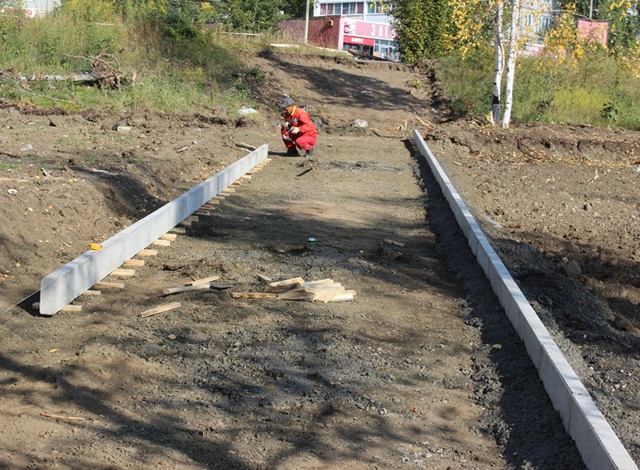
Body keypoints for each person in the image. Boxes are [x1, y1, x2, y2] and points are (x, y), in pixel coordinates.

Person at [279, 96, 317, 161]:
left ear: (291, 106)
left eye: (285, 107)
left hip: (309, 135)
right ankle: (292, 150)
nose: (284, 109)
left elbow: (308, 126)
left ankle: (309, 149)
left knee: (299, 141)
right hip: (297, 134)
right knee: (284, 130)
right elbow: (292, 124)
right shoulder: (287, 114)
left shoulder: (300, 113)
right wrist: (288, 125)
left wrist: (298, 129)